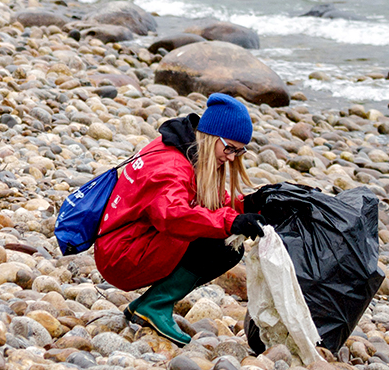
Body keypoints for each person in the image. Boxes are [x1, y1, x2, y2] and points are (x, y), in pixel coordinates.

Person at [94, 93, 266, 345]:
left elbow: (204, 198)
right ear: (211, 137)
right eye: (229, 148)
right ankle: (155, 305)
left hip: (125, 243)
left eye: (239, 152)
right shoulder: (172, 165)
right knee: (223, 246)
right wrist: (230, 222)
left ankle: (148, 305)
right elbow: (173, 216)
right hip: (121, 257)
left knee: (219, 232)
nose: (231, 158)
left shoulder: (182, 147)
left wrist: (248, 204)